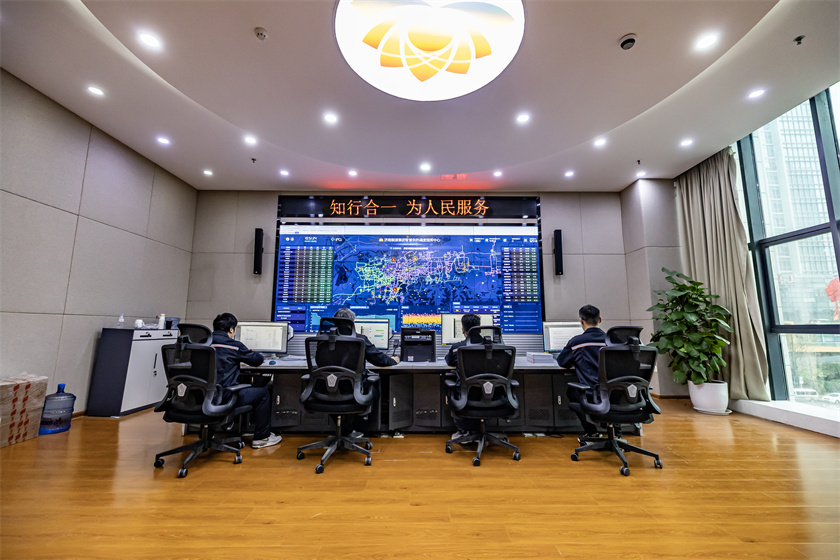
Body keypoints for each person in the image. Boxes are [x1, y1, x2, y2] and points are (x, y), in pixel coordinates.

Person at [211, 313, 282, 449]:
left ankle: (209, 434)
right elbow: (257, 360)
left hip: (199, 396)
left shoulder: (200, 344)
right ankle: (261, 437)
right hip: (224, 396)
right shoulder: (233, 345)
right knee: (263, 393)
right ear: (231, 330)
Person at [332, 308, 400, 437]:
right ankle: (356, 428)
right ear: (352, 323)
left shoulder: (322, 339)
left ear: (334, 322)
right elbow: (380, 360)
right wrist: (394, 360)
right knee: (374, 385)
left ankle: (346, 430)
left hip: (326, 390)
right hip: (354, 391)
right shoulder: (359, 339)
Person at [555, 304, 607, 440]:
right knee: (611, 394)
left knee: (572, 392)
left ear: (581, 321)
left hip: (591, 392)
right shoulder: (612, 341)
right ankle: (617, 434)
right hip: (616, 392)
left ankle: (592, 432)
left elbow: (562, 362)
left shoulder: (577, 342)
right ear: (600, 320)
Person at [443, 313, 483, 441]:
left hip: (466, 395)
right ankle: (479, 430)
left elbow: (449, 361)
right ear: (479, 329)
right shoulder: (494, 347)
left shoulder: (458, 348)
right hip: (491, 394)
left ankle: (463, 431)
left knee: (451, 387)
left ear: (463, 329)